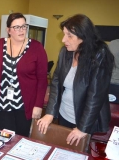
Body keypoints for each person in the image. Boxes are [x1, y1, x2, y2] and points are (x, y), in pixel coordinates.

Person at [37, 14, 114, 146]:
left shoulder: (99, 55)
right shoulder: (65, 52)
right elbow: (55, 83)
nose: (63, 39)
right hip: (63, 113)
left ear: (83, 37)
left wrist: (82, 128)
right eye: (64, 34)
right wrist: (50, 113)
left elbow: (95, 96)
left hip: (84, 119)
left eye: (69, 36)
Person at [0, 13, 48, 137]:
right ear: (8, 30)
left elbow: (42, 80)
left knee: (22, 139)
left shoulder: (37, 48)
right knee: (4, 138)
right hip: (3, 103)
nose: (21, 30)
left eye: (24, 26)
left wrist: (38, 105)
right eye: (17, 27)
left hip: (26, 105)